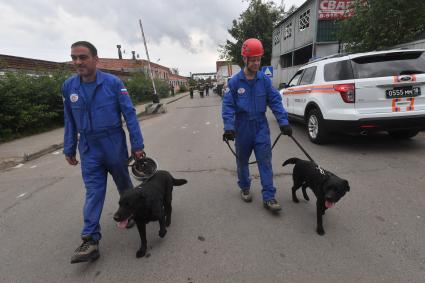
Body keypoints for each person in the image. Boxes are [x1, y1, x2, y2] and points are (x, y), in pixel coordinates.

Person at [62, 41, 145, 264]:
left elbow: (130, 114)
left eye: (83, 57)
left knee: (125, 188)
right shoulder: (69, 87)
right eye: (74, 58)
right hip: (88, 148)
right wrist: (69, 147)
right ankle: (90, 239)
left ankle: (132, 214)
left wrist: (137, 145)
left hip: (113, 144)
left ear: (96, 59)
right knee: (93, 192)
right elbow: (69, 120)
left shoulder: (113, 84)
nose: (78, 62)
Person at [221, 38, 292, 212]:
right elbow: (228, 106)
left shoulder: (264, 80)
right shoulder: (235, 82)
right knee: (242, 161)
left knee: (265, 161)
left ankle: (269, 196)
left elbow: (275, 101)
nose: (256, 63)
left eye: (258, 59)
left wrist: (283, 122)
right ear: (244, 59)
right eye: (252, 59)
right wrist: (229, 127)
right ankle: (245, 186)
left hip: (260, 126)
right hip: (242, 126)